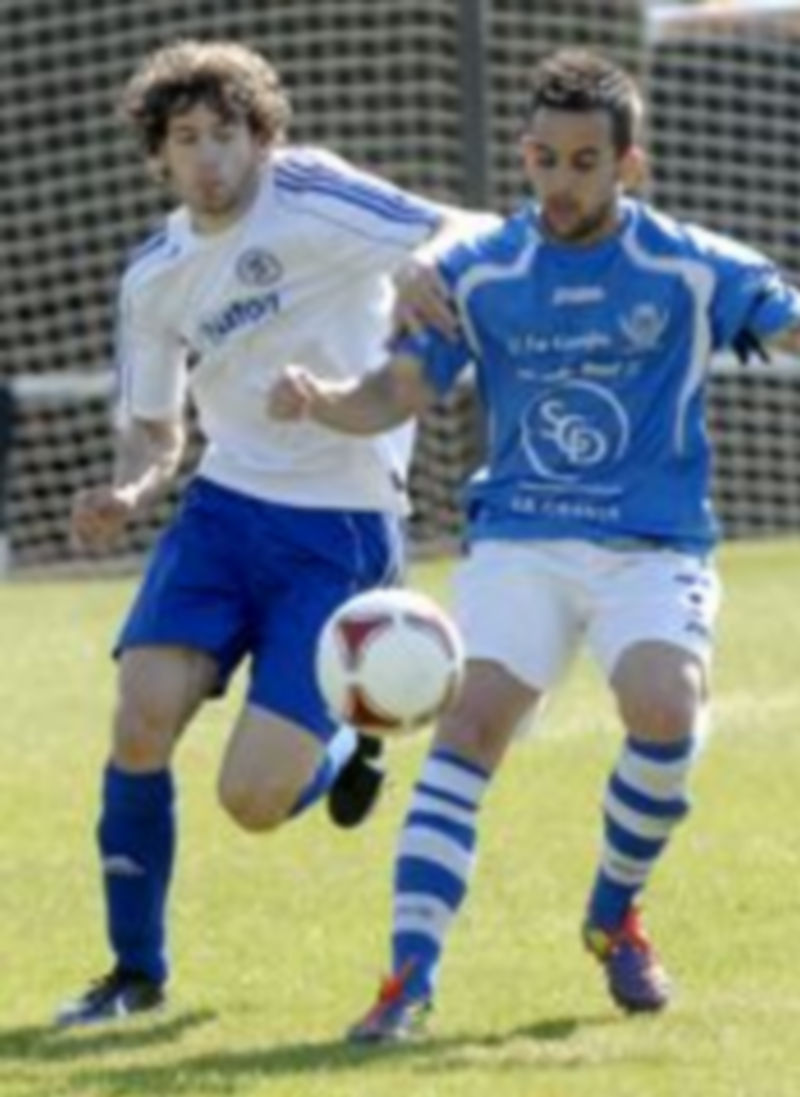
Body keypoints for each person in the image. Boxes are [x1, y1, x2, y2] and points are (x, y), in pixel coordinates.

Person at [269, 48, 800, 1040]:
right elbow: (400, 391)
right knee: (468, 727)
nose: (559, 182)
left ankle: (611, 912)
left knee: (663, 706)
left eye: (583, 162)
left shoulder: (688, 264)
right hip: (522, 537)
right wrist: (323, 401)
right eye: (543, 159)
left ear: (627, 166)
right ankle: (406, 982)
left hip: (652, 544)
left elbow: (787, 324)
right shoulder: (480, 273)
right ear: (523, 155)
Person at [57, 38, 484, 1027]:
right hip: (220, 515)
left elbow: (469, 226)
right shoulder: (155, 275)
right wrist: (130, 484)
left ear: (262, 136)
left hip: (339, 530)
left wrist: (426, 257)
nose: (208, 157)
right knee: (139, 714)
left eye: (226, 134)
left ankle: (351, 737)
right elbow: (156, 423)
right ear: (158, 155)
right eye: (185, 139)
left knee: (249, 801)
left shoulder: (317, 196)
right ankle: (132, 972)